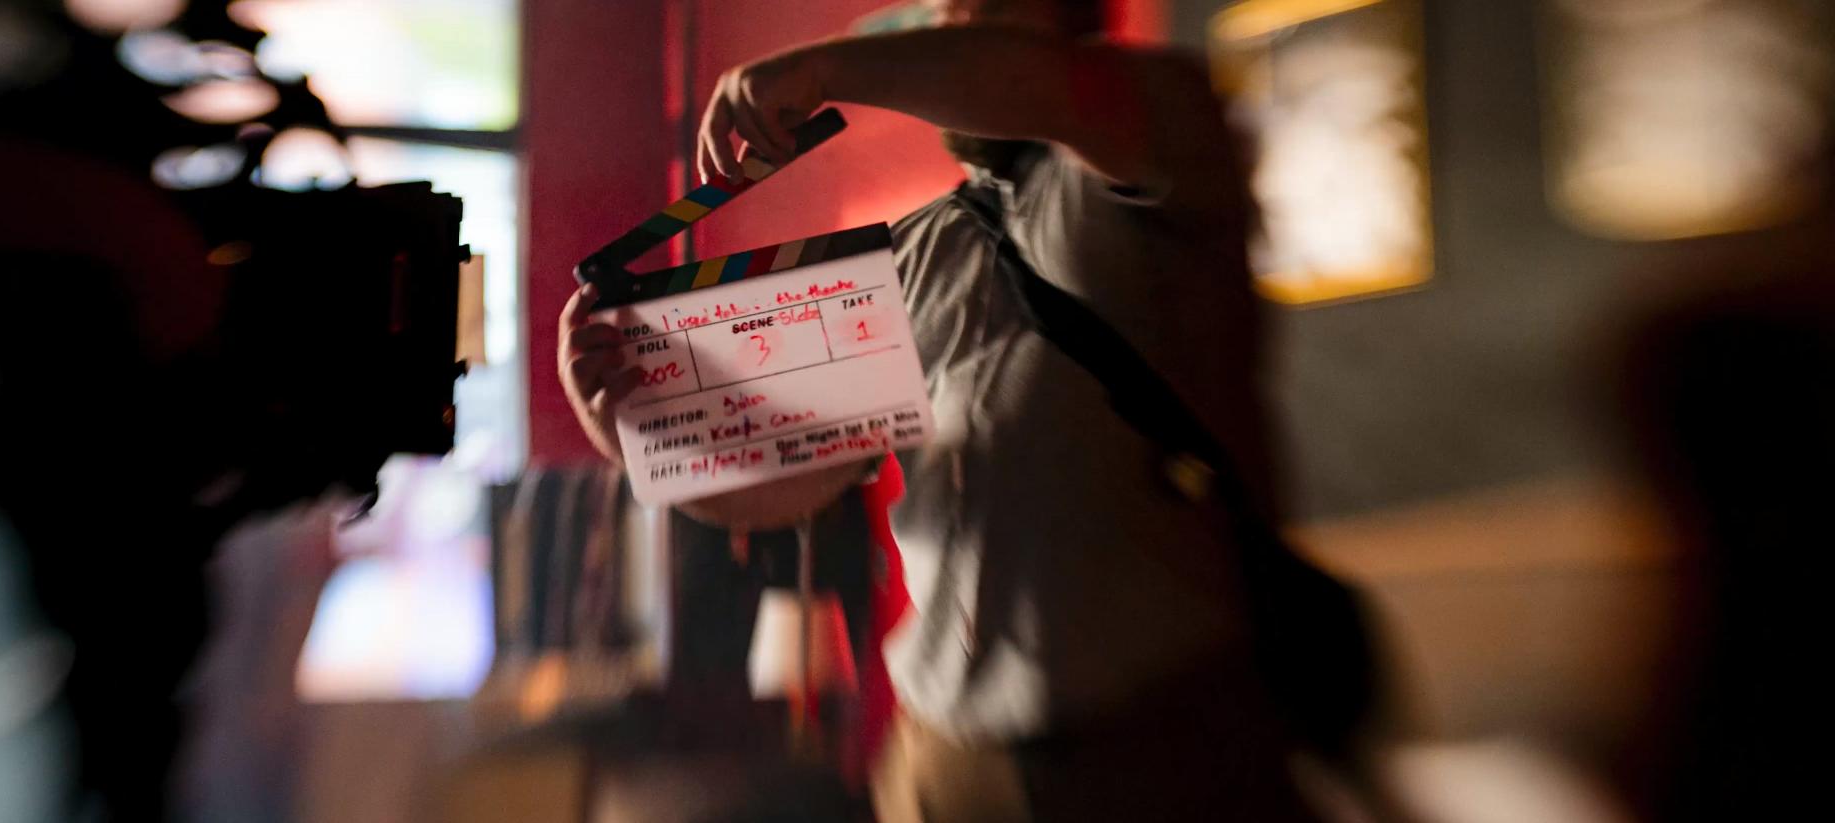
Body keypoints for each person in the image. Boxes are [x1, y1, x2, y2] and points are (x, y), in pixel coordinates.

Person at [559, 1, 1321, 820]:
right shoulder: (920, 250)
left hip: (1155, 754)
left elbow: (1054, 91)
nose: (947, 20)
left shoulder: (1165, 121)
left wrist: (827, 71)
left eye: (973, 12)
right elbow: (798, 483)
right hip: (946, 765)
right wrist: (624, 428)